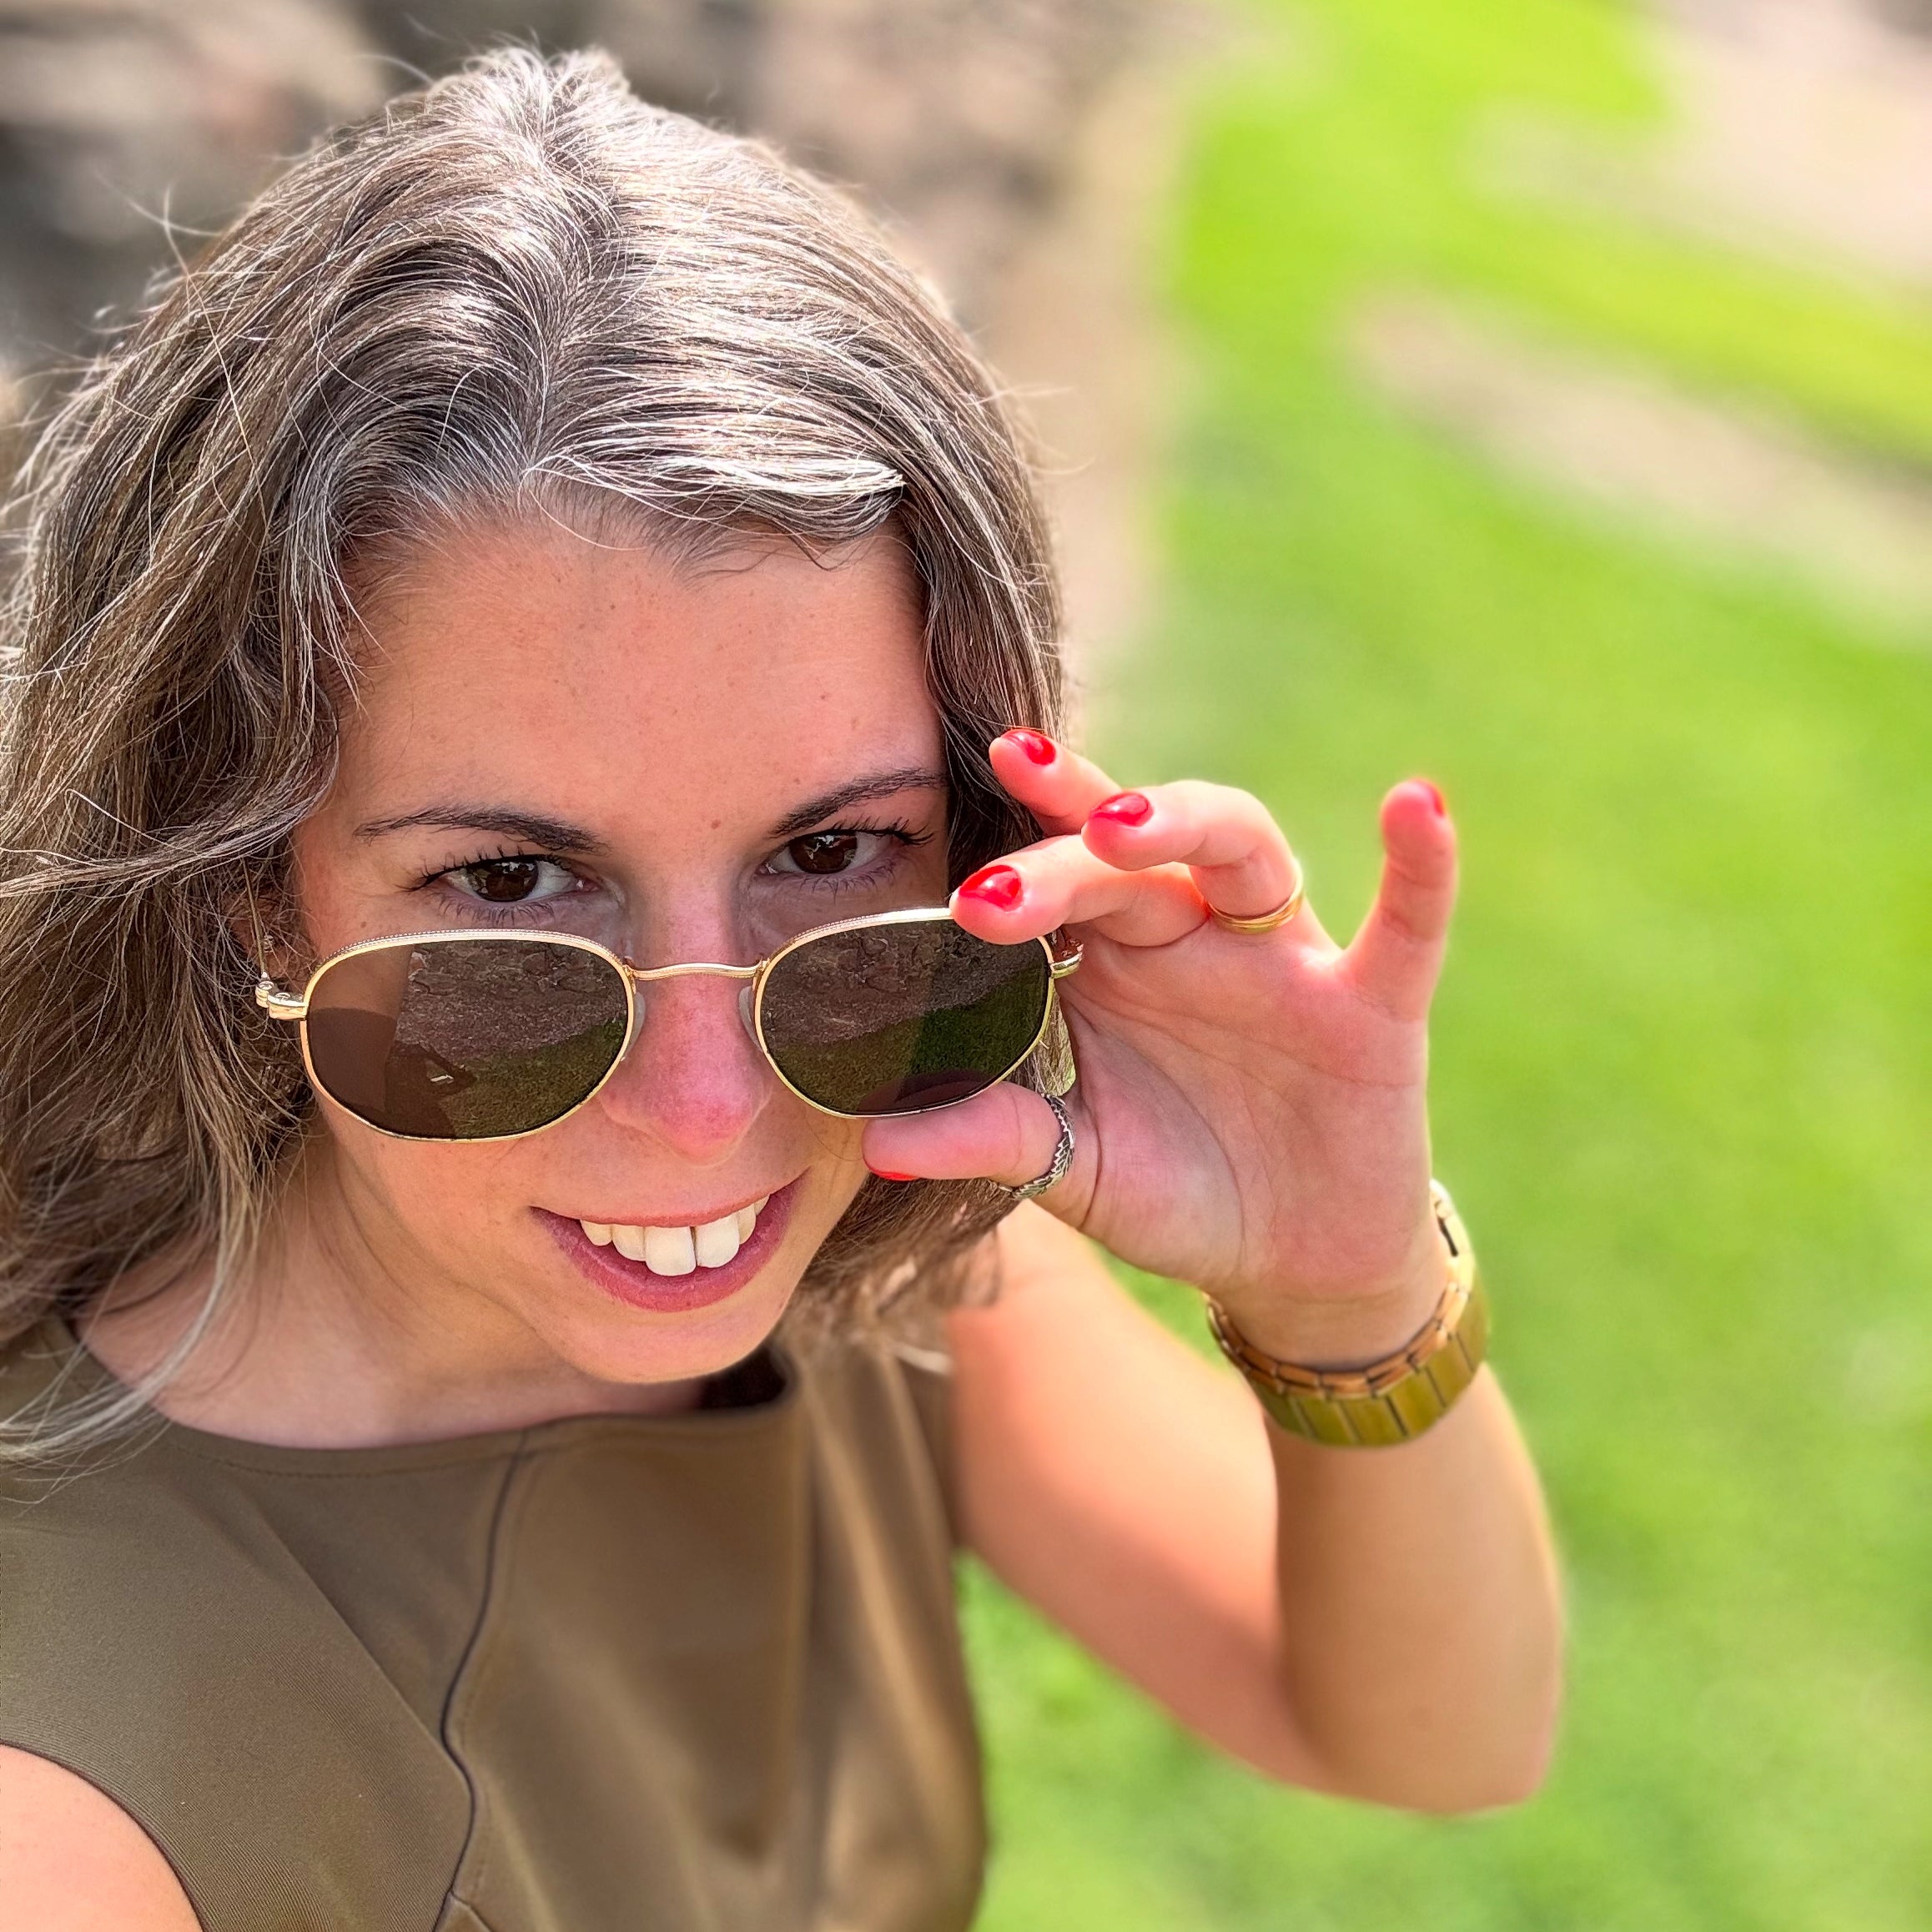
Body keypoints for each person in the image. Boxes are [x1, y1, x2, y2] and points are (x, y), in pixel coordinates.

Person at [0, 49, 1562, 1932]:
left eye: (834, 857)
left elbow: (1434, 1737)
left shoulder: (895, 1264)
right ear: (248, 889)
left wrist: (1345, 1286)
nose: (711, 1106)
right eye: (510, 889)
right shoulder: (72, 1798)